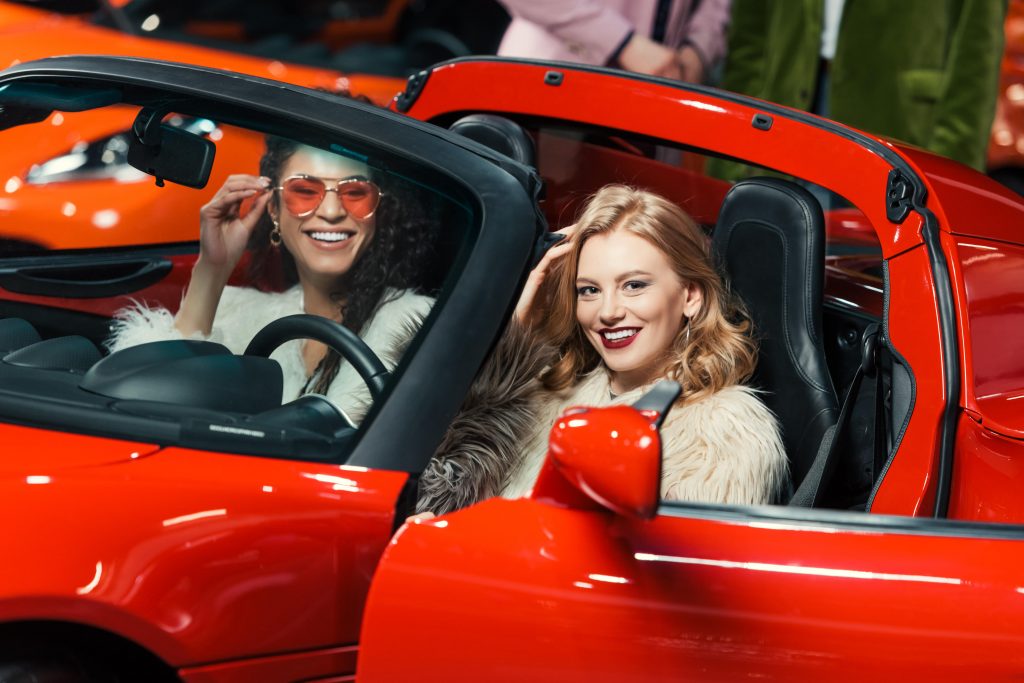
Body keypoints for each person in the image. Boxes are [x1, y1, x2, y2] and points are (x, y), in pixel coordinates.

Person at [416, 184, 788, 515]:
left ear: (690, 296)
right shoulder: (545, 392)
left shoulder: (725, 434)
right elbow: (436, 495)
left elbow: (653, 584)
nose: (608, 312)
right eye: (589, 290)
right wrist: (516, 336)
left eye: (634, 285)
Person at [106, 135, 437, 423]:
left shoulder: (417, 325)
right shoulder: (238, 315)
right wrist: (212, 270)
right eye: (305, 191)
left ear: (376, 210)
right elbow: (141, 404)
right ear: (274, 211)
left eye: (355, 193)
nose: (333, 211)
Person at [712, 0, 1006, 174]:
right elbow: (749, 38)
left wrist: (947, 175)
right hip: (782, 113)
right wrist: (732, 148)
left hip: (899, 128)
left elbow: (977, 59)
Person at [496, 0, 731, 84]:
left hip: (661, 93)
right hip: (554, 78)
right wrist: (622, 41)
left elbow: (718, 7)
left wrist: (698, 50)